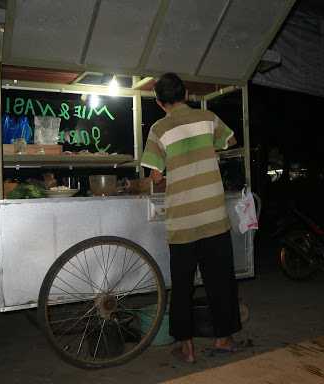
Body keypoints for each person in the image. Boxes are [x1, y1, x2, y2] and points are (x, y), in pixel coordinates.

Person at [140, 73, 242, 363]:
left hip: (182, 220)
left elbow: (156, 175)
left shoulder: (159, 130)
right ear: (186, 94)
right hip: (212, 215)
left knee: (183, 283)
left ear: (159, 102)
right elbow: (230, 140)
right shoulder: (208, 117)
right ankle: (223, 338)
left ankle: (187, 347)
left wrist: (164, 171)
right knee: (220, 279)